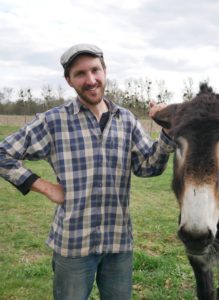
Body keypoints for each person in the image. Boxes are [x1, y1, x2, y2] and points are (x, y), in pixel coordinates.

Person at [0, 43, 175, 300]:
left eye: (95, 70)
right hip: (73, 245)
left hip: (118, 243)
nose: (90, 80)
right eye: (80, 73)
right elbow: (4, 154)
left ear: (105, 71)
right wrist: (46, 187)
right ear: (68, 80)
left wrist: (168, 131)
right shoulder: (53, 122)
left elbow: (149, 167)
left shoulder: (125, 120)